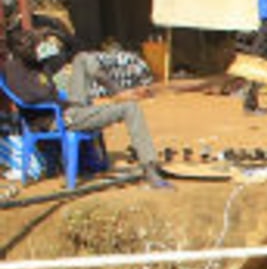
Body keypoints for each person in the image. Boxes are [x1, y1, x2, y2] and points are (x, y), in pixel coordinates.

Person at [1, 27, 168, 190]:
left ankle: (116, 91)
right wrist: (57, 99)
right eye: (32, 46)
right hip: (56, 119)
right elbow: (28, 98)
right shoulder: (13, 70)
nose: (37, 50)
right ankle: (149, 167)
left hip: (68, 109)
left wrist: (52, 33)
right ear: (18, 50)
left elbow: (73, 50)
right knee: (130, 108)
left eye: (36, 46)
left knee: (82, 58)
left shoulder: (39, 65)